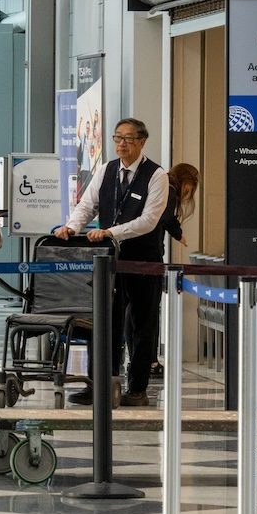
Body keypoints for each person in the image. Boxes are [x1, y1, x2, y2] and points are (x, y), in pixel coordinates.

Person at [55, 118, 169, 408]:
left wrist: (110, 232)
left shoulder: (157, 176)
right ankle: (100, 384)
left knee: (142, 325)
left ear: (142, 141)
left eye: (129, 139)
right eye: (118, 138)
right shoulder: (106, 170)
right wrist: (72, 227)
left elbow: (148, 221)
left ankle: (138, 388)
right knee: (105, 322)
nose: (122, 144)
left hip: (143, 260)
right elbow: (87, 204)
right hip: (108, 260)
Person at [161, 163, 200, 251]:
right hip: (150, 246)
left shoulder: (161, 186)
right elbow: (168, 218)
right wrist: (178, 235)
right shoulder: (170, 191)